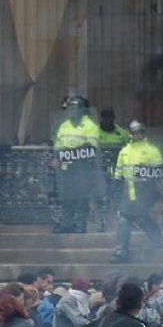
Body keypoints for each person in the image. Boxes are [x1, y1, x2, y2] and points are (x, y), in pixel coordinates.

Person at [110, 120, 163, 263]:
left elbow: (160, 173)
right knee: (124, 219)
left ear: (143, 133)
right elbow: (119, 172)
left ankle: (157, 238)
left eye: (138, 132)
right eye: (133, 132)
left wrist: (155, 191)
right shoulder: (124, 151)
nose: (136, 135)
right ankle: (121, 250)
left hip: (145, 190)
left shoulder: (152, 151)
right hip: (128, 189)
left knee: (141, 217)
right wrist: (115, 188)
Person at [52, 96, 102, 234]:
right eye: (69, 108)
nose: (70, 111)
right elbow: (58, 144)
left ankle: (80, 225)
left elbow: (91, 147)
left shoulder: (89, 126)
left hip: (82, 167)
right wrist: (56, 156)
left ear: (82, 110)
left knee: (81, 197)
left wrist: (72, 152)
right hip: (65, 167)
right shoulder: (64, 125)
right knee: (65, 196)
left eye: (74, 108)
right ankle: (67, 223)